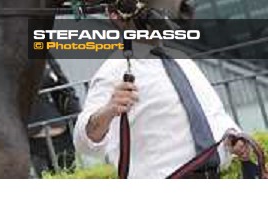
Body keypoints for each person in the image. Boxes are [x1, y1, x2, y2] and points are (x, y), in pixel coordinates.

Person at [74, 38, 250, 179]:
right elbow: (84, 143)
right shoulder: (113, 69)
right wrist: (109, 110)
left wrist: (232, 135)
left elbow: (212, 112)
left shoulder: (179, 57)